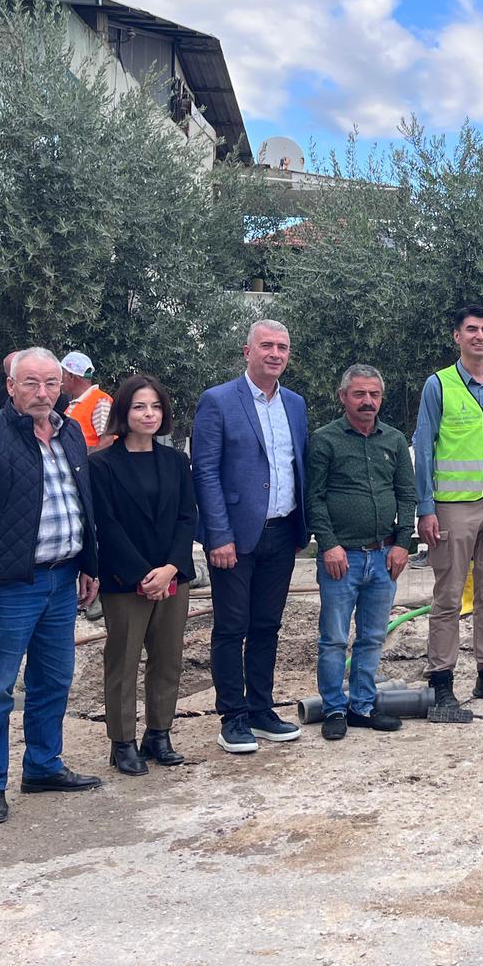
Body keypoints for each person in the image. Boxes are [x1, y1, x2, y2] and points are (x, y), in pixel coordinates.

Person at [0, 347, 102, 824]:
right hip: (9, 587)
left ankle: (43, 766)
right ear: (11, 386)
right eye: (30, 383)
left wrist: (89, 564)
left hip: (62, 578)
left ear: (62, 386)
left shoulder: (70, 433)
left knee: (53, 680)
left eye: (51, 383)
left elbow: (82, 505)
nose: (42, 393)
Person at [193, 319, 310, 754]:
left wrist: (303, 527)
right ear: (248, 352)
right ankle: (233, 717)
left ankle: (261, 709)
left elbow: (299, 465)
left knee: (267, 625)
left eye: (282, 346)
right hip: (235, 538)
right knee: (231, 626)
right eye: (267, 346)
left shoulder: (295, 404)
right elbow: (204, 471)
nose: (275, 353)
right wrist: (218, 535)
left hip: (283, 532)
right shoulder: (219, 401)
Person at [415, 305, 483, 713]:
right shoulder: (438, 385)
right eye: (472, 330)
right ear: (457, 337)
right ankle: (441, 678)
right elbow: (424, 447)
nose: (480, 336)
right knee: (447, 595)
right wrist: (425, 507)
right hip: (452, 509)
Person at [88, 374, 198, 775]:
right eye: (139, 406)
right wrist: (142, 574)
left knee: (168, 658)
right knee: (124, 660)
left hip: (173, 577)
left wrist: (170, 568)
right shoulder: (101, 464)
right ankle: (122, 742)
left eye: (154, 406)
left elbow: (188, 517)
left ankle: (159, 733)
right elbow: (107, 525)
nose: (148, 414)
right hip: (124, 580)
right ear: (123, 412)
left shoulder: (176, 461)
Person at [306, 363, 417, 741]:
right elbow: (314, 498)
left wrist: (403, 544)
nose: (368, 401)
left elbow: (406, 494)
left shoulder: (395, 440)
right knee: (334, 638)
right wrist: (329, 544)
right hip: (341, 558)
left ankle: (363, 706)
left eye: (374, 394)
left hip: (385, 557)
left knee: (372, 636)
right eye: (359, 394)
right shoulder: (325, 440)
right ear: (343, 397)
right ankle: (334, 708)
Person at [61, 351, 115, 452]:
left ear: (72, 376)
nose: (60, 379)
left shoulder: (101, 401)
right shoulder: (74, 404)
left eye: (62, 374)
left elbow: (107, 440)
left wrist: (88, 463)